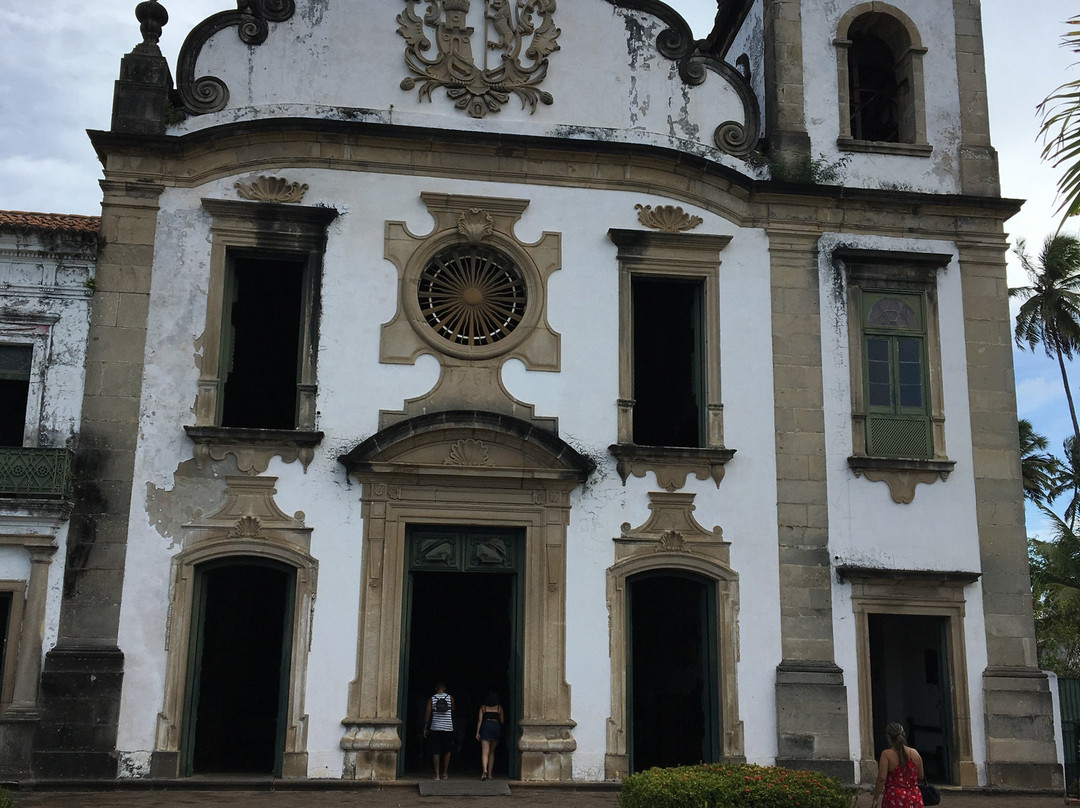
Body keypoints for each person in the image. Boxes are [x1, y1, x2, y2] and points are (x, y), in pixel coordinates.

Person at [872, 721, 925, 808]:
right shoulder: (915, 753)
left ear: (888, 737)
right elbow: (921, 776)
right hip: (914, 796)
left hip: (894, 797)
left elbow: (881, 778)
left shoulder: (886, 754)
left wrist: (875, 799)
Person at [423, 681, 455, 780]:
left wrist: (425, 727)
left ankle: (436, 775)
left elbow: (428, 714)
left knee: (435, 751)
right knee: (447, 750)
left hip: (435, 727)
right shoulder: (450, 698)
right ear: (444, 688)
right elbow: (453, 710)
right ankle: (444, 773)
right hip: (448, 728)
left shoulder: (432, 699)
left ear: (436, 689)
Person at [475, 690, 504, 780]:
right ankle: (490, 774)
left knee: (485, 752)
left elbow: (480, 720)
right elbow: (502, 720)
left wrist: (477, 732)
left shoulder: (483, 708)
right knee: (492, 752)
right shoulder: (499, 708)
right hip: (495, 727)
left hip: (486, 727)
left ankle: (484, 770)